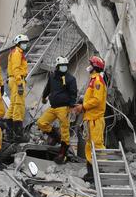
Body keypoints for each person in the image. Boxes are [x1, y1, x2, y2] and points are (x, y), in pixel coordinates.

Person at [37, 56, 77, 164]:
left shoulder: (70, 79)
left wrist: (72, 106)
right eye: (62, 66)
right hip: (53, 107)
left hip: (64, 108)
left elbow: (73, 94)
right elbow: (48, 88)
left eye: (65, 66)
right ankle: (56, 136)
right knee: (41, 123)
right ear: (57, 66)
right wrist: (44, 97)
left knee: (65, 130)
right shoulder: (52, 77)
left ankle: (62, 153)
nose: (64, 67)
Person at [73, 55, 107, 183]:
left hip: (95, 119)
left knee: (97, 146)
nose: (89, 66)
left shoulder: (98, 81)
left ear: (95, 67)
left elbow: (97, 100)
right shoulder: (93, 80)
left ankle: (102, 172)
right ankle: (91, 173)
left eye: (91, 64)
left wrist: (83, 106)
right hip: (90, 119)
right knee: (89, 146)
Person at [5, 33, 29, 141]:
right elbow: (16, 69)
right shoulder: (17, 53)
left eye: (25, 43)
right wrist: (19, 83)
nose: (25, 45)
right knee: (18, 105)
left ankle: (9, 133)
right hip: (17, 80)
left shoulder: (17, 53)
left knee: (13, 106)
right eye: (23, 43)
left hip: (14, 80)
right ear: (18, 44)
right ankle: (18, 135)